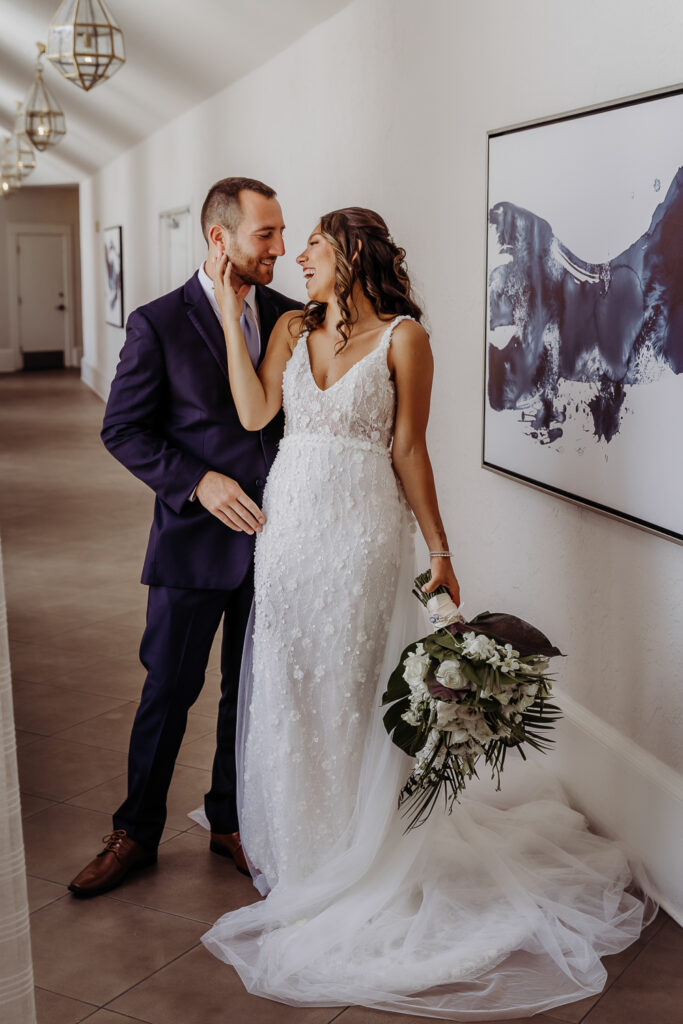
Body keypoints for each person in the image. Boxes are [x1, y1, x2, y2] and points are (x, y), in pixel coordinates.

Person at [200, 207, 653, 1018]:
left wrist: (439, 551)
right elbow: (255, 414)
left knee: (354, 695)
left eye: (312, 245)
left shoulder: (406, 337)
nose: (298, 255)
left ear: (349, 251)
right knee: (294, 691)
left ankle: (362, 852)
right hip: (291, 536)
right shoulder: (288, 330)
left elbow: (408, 447)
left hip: (365, 536)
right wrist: (236, 322)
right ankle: (306, 855)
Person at [68, 178, 302, 898]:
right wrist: (198, 481)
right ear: (219, 237)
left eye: (281, 232)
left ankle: (231, 819)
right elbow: (122, 428)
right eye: (265, 234)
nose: (280, 249)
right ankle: (135, 831)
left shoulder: (293, 315)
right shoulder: (158, 323)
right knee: (169, 689)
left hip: (280, 542)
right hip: (191, 543)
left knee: (251, 691)